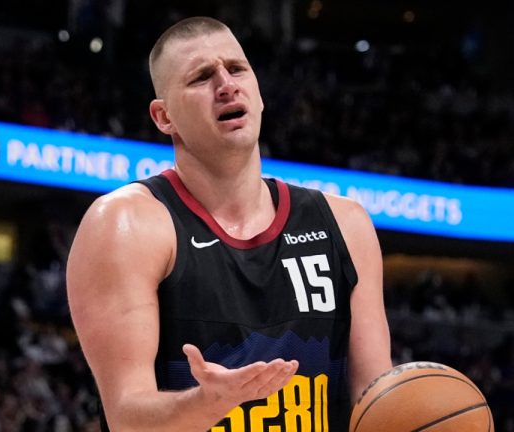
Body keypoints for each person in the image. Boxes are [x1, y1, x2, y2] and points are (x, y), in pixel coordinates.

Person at [66, 16, 392, 432]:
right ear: (164, 117)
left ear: (258, 93)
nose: (226, 84)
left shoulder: (344, 224)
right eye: (202, 77)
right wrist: (208, 403)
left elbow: (375, 404)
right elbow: (128, 418)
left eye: (237, 69)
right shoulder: (126, 226)